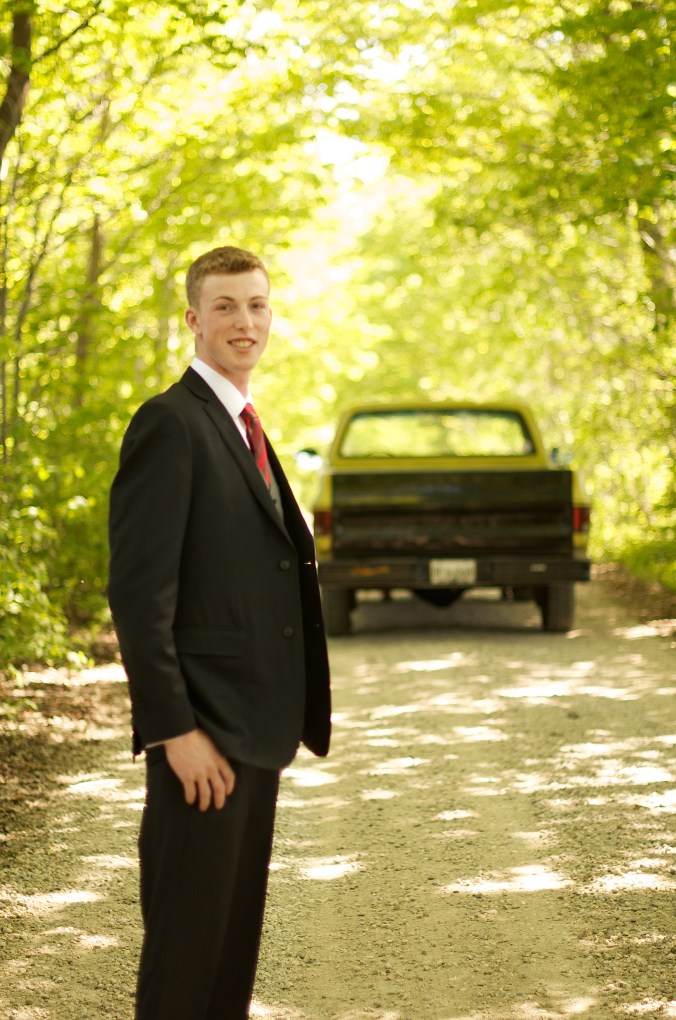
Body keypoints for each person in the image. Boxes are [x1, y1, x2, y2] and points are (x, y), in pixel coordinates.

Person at [108, 245, 331, 1020]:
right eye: (228, 306)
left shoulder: (244, 425)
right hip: (204, 735)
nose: (246, 322)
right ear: (194, 319)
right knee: (185, 955)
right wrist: (176, 731)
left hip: (255, 731)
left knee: (230, 952)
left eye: (258, 305)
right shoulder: (171, 424)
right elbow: (139, 597)